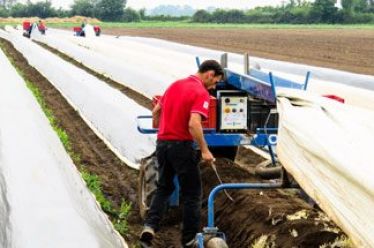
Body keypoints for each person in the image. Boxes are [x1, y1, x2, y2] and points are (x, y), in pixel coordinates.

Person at [139, 60, 224, 248]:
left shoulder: (174, 85)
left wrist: (161, 126)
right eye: (216, 81)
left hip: (162, 144)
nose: (214, 86)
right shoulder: (200, 92)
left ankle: (150, 226)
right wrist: (204, 150)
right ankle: (189, 240)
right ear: (209, 74)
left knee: (164, 187)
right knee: (192, 194)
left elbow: (156, 111)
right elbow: (193, 124)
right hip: (182, 146)